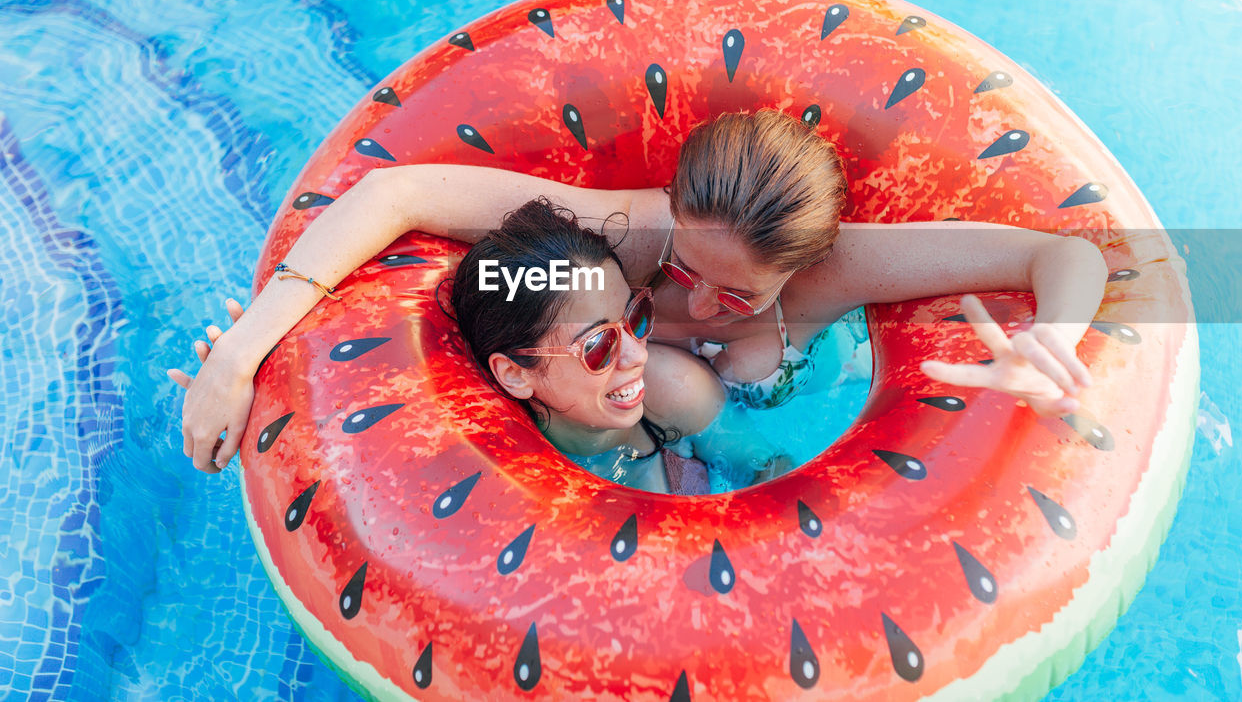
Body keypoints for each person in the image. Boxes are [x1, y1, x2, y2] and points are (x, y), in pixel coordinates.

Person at [173, 108, 1106, 474]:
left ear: (799, 269)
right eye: (679, 274)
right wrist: (245, 353)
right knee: (673, 383)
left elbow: (1065, 255)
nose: (695, 302)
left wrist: (1055, 337)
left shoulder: (842, 268)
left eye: (736, 296)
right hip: (616, 428)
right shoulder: (632, 228)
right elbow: (398, 191)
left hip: (770, 445)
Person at [170, 198, 725, 493]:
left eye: (637, 316)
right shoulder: (490, 470)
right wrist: (258, 376)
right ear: (514, 375)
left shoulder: (679, 395)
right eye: (598, 347)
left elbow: (767, 468)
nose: (636, 355)